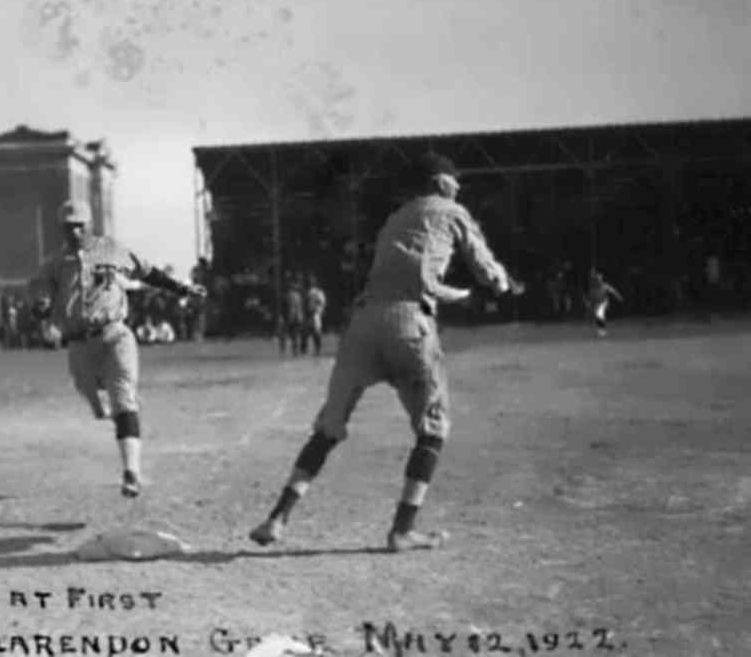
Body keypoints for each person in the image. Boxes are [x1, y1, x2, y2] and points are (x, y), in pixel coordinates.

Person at [248, 153, 521, 552]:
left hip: (362, 325)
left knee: (328, 426)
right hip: (410, 325)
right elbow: (481, 266)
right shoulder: (451, 210)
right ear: (442, 183)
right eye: (454, 181)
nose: (458, 187)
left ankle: (277, 518)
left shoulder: (395, 219)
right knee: (433, 428)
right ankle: (402, 530)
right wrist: (502, 285)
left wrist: (453, 293)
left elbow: (409, 273)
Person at [34, 200, 206, 497]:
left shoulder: (111, 249)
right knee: (87, 389)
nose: (74, 231)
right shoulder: (54, 263)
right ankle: (102, 405)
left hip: (115, 335)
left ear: (90, 224)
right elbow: (39, 298)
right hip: (78, 343)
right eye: (68, 227)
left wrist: (182, 289)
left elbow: (147, 272)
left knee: (124, 398)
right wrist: (40, 308)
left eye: (80, 225)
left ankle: (131, 473)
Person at [585, 269, 624, 337]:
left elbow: (613, 291)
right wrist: (590, 304)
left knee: (599, 314)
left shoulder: (605, 286)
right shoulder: (593, 287)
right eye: (598, 278)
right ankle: (601, 331)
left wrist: (619, 296)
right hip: (598, 303)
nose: (599, 279)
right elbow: (592, 298)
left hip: (604, 302)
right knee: (598, 316)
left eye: (600, 278)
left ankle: (602, 331)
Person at [303, 275, 327, 356]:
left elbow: (321, 302)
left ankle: (318, 349)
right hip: (309, 314)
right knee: (306, 332)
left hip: (315, 313)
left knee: (316, 331)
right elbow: (306, 303)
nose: (310, 283)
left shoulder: (318, 292)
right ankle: (305, 349)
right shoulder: (308, 292)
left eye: (312, 282)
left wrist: (318, 310)